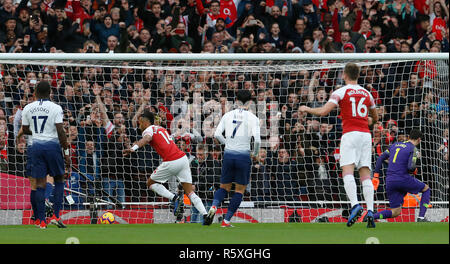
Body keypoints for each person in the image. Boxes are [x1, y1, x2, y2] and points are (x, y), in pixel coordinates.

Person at [299, 63, 378, 228]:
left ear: (344, 74)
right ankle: (370, 211)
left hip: (350, 134)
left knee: (347, 171)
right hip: (365, 134)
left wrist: (306, 108)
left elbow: (323, 112)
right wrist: (369, 120)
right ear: (358, 75)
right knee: (365, 173)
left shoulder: (340, 92)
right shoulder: (367, 93)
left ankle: (355, 205)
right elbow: (375, 118)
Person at [123, 110, 208, 223]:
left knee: (150, 183)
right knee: (190, 191)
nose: (139, 126)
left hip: (172, 160)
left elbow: (147, 138)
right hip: (183, 159)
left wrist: (133, 149)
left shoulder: (149, 130)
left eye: (140, 123)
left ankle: (174, 198)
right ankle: (206, 215)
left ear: (145, 121)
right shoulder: (161, 128)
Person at [204, 89, 261, 227]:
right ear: (250, 102)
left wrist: (227, 144)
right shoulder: (253, 118)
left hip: (229, 154)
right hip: (243, 155)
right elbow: (258, 140)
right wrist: (254, 152)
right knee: (240, 190)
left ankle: (213, 207)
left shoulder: (228, 115)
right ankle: (226, 220)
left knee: (224, 187)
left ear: (236, 100)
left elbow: (217, 134)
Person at [17, 80, 70, 229]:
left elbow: (25, 129)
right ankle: (55, 215)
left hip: (35, 147)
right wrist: (66, 153)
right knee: (59, 179)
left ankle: (41, 221)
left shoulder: (28, 108)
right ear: (50, 93)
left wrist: (38, 132)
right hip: (52, 147)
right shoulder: (56, 108)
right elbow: (60, 131)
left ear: (35, 93)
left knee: (39, 183)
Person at [372, 129, 431, 222]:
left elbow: (380, 158)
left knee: (395, 211)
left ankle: (371, 216)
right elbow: (410, 167)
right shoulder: (414, 149)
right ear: (419, 139)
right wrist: (415, 170)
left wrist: (375, 176)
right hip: (403, 179)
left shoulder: (394, 145)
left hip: (390, 181)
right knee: (426, 189)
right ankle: (421, 217)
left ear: (408, 137)